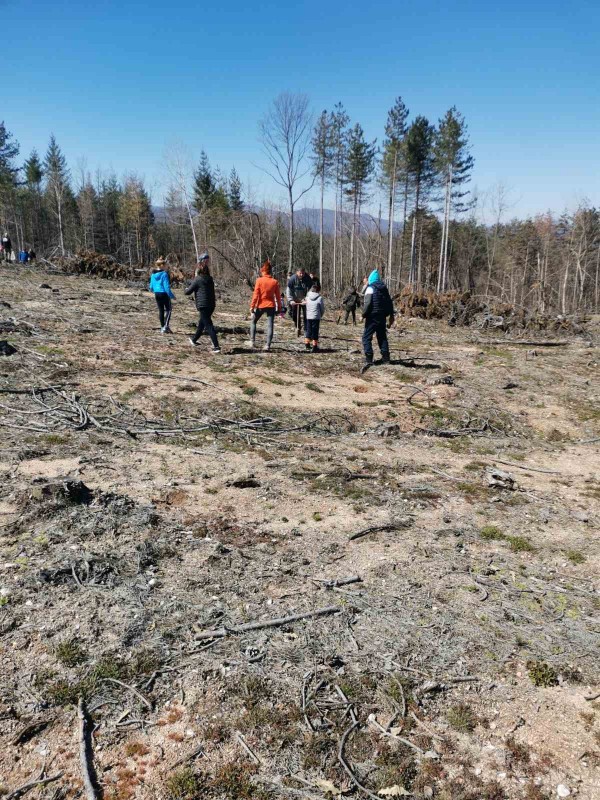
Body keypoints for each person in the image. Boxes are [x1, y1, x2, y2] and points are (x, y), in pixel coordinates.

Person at [185, 251, 220, 353]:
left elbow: (188, 292)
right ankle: (194, 339)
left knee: (208, 325)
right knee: (202, 323)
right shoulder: (210, 279)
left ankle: (216, 346)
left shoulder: (197, 279)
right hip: (211, 305)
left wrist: (186, 288)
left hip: (203, 305)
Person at [248, 258, 283, 351]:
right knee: (270, 325)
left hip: (261, 305)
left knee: (254, 321)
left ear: (263, 271)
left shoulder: (259, 280)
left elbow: (255, 294)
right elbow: (278, 297)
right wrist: (279, 308)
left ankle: (252, 341)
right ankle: (267, 345)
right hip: (271, 306)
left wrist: (252, 306)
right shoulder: (274, 282)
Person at [361, 269, 394, 367]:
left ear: (371, 279)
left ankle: (369, 358)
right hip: (382, 316)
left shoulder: (370, 288)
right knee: (382, 336)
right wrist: (390, 315)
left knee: (366, 337)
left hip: (372, 316)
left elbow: (367, 304)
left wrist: (363, 315)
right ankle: (386, 358)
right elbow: (389, 303)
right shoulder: (384, 289)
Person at [149, 257, 175, 333]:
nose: (167, 266)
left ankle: (162, 327)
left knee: (161, 310)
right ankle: (166, 327)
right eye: (166, 265)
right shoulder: (164, 274)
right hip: (164, 294)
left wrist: (154, 290)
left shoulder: (153, 274)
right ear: (162, 265)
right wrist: (171, 295)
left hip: (157, 294)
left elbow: (151, 286)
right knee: (169, 310)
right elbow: (166, 287)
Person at [286, 267, 312, 337]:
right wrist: (290, 300)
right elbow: (288, 290)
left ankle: (306, 330)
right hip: (295, 300)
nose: (301, 275)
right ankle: (297, 327)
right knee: (294, 315)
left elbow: (311, 290)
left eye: (303, 273)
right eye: (300, 273)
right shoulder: (292, 279)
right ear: (297, 272)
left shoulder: (308, 278)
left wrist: (306, 298)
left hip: (304, 300)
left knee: (306, 315)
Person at [305, 282, 325, 352]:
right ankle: (314, 346)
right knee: (315, 331)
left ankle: (307, 344)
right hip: (316, 316)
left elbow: (306, 306)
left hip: (308, 316)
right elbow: (322, 309)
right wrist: (320, 315)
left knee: (308, 330)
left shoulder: (307, 297)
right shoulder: (319, 298)